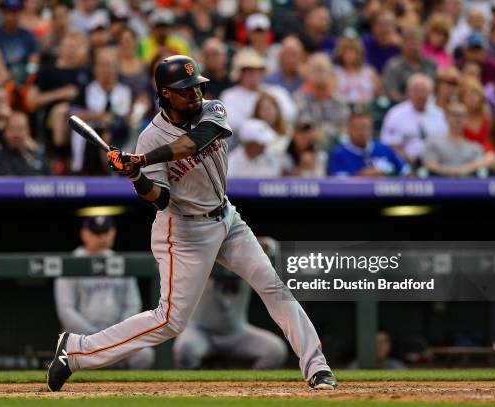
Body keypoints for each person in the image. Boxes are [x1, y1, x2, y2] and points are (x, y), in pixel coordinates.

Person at [46, 55, 337, 392]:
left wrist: (141, 161)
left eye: (197, 86)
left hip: (227, 217)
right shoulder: (150, 137)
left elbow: (196, 141)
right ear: (166, 93)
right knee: (170, 321)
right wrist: (136, 175)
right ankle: (76, 350)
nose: (195, 94)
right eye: (185, 90)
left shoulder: (213, 110)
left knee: (273, 286)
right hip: (183, 231)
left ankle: (317, 368)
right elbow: (160, 199)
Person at [54, 216, 154, 369]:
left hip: (117, 337)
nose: (101, 237)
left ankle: (128, 393)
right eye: (96, 233)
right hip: (82, 338)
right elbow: (66, 311)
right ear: (84, 233)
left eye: (105, 232)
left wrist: (117, 334)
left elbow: (133, 305)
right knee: (67, 355)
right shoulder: (71, 263)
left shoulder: (121, 263)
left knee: (144, 355)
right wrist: (95, 338)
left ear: (113, 233)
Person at [173, 273, 287, 369]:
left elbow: (269, 249)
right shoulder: (201, 251)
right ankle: (194, 391)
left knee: (275, 350)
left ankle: (250, 390)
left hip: (236, 333)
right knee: (186, 348)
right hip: (200, 331)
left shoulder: (249, 254)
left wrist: (254, 246)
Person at [220, 48, 296, 134]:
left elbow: (291, 114)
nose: (254, 74)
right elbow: (231, 123)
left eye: (257, 69)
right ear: (240, 73)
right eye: (248, 70)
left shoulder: (277, 91)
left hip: (278, 140)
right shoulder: (229, 96)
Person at [380, 74, 448, 166]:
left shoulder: (439, 115)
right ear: (409, 92)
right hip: (404, 164)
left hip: (436, 164)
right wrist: (407, 161)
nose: (420, 96)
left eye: (423, 92)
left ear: (430, 93)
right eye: (416, 91)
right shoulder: (395, 114)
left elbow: (446, 142)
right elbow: (390, 144)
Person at [423, 101, 493, 177]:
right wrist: (458, 171)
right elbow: (430, 165)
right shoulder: (433, 143)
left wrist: (464, 169)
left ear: (467, 119)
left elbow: (482, 170)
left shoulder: (475, 147)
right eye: (454, 115)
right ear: (446, 117)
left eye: (462, 116)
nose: (458, 119)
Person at [328, 112, 409, 177]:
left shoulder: (384, 149)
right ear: (348, 130)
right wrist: (361, 176)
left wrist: (386, 175)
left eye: (365, 128)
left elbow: (405, 172)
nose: (362, 132)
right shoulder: (339, 153)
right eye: (357, 128)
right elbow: (339, 184)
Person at [0, 0, 40, 86]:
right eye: (8, 13)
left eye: (15, 12)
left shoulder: (29, 36)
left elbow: (33, 61)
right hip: (0, 75)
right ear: (2, 14)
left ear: (20, 14)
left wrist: (29, 78)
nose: (12, 17)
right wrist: (10, 84)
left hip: (22, 74)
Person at [382, 26, 437, 103]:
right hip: (402, 107)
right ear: (403, 45)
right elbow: (392, 93)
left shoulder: (430, 64)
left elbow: (436, 91)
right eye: (410, 44)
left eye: (417, 44)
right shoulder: (393, 66)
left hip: (428, 106)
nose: (414, 47)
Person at [333, 36, 380, 105]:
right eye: (346, 52)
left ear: (359, 54)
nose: (349, 55)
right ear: (340, 53)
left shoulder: (369, 72)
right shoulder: (335, 72)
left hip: (367, 108)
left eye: (352, 52)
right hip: (343, 109)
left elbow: (378, 93)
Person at [460, 77, 491, 146]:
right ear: (462, 98)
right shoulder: (458, 119)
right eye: (468, 95)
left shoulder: (487, 119)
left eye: (475, 94)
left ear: (480, 98)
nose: (472, 98)